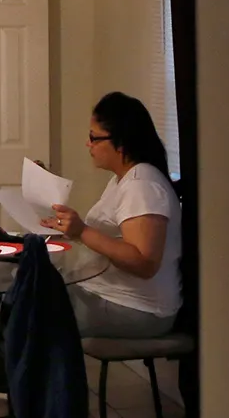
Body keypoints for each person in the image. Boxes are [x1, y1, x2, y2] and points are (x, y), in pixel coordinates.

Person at [42, 92, 182, 338]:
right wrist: (71, 229)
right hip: (111, 294)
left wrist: (82, 231)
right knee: (28, 294)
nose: (88, 144)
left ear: (121, 142)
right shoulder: (122, 180)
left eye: (94, 138)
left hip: (138, 307)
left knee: (32, 310)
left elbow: (144, 262)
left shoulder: (142, 185)